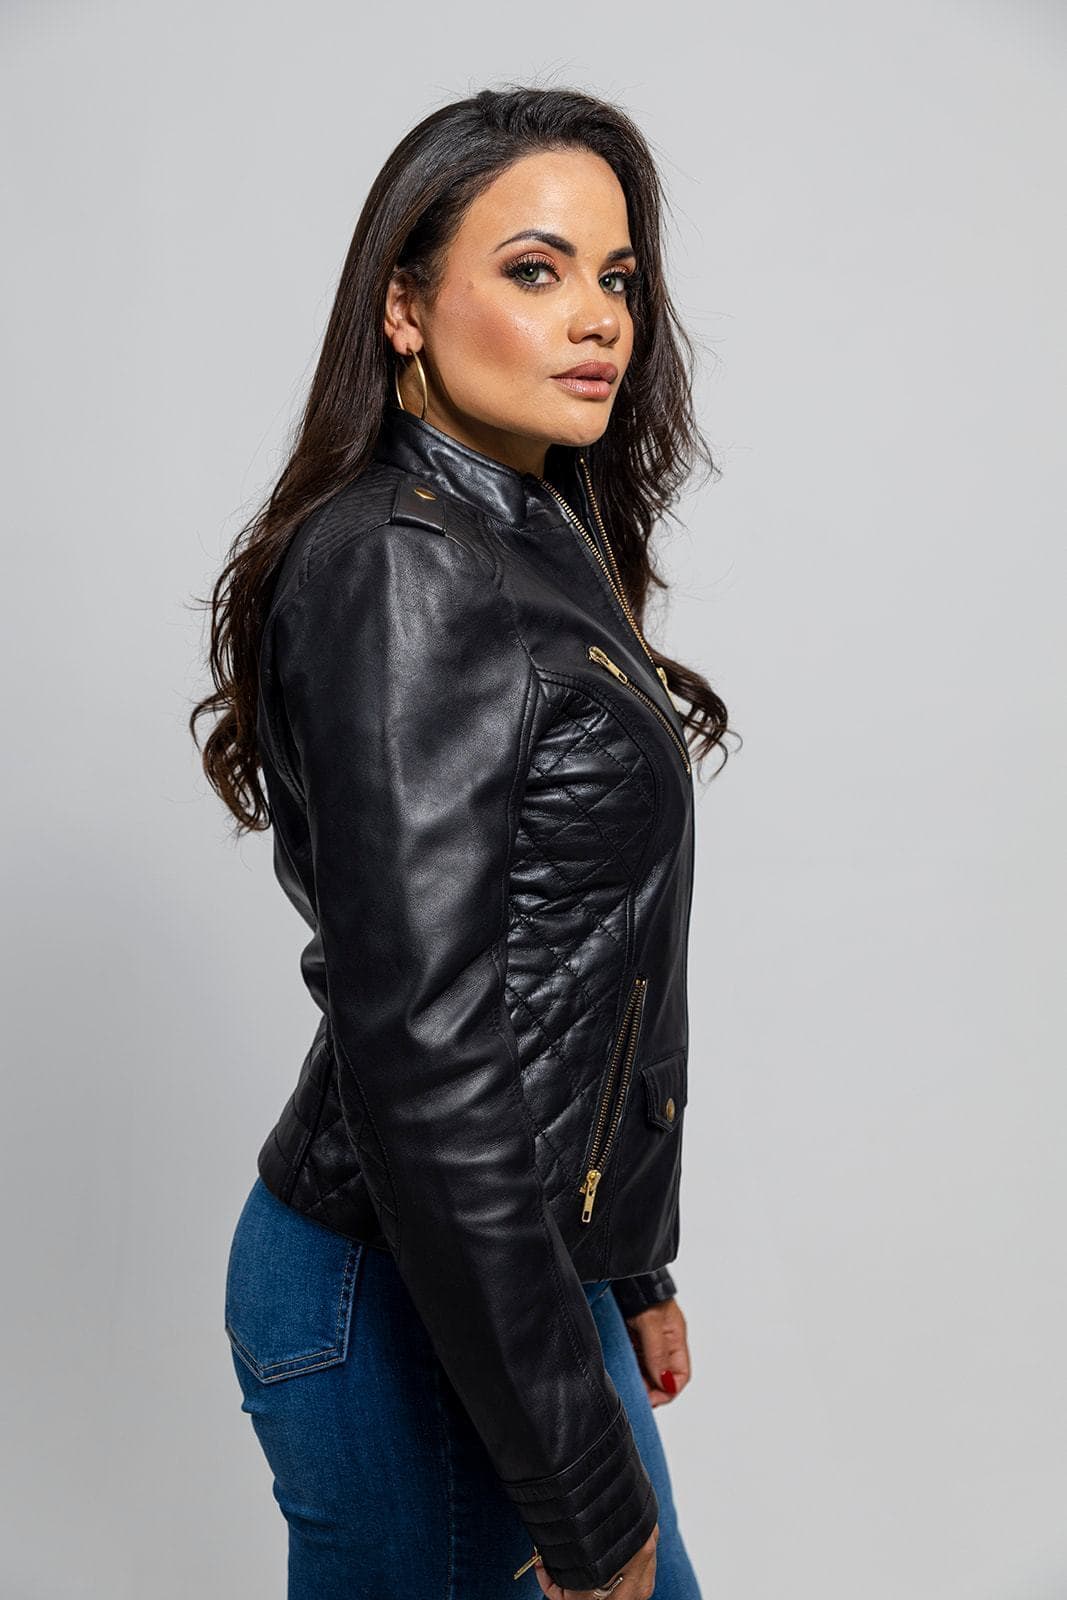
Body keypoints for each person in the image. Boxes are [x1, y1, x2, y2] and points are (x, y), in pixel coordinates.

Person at [191, 83, 736, 1600]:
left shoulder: (525, 526)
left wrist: (627, 1261)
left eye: (615, 277)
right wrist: (582, 1486)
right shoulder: (405, 566)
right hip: (407, 1294)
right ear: (406, 307)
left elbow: (561, 957)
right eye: (535, 270)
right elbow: (426, 1041)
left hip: (512, 1272)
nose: (599, 318)